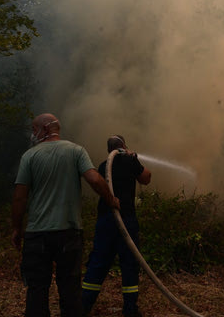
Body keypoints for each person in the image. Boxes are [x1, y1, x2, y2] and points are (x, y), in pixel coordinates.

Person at [11, 113, 120, 317]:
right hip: (69, 233)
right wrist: (111, 200)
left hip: (37, 235)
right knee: (70, 291)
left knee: (37, 290)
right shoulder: (76, 151)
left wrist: (17, 228)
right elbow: (95, 180)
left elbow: (19, 198)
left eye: (34, 129)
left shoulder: (30, 156)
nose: (32, 134)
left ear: (45, 129)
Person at [82, 135, 151, 317]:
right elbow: (146, 178)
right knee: (129, 263)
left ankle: (84, 306)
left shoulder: (104, 166)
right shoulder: (130, 161)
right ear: (123, 146)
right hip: (125, 219)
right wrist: (134, 157)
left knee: (98, 262)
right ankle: (130, 310)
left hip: (105, 219)